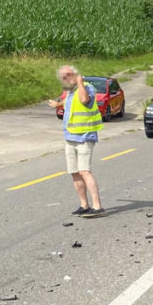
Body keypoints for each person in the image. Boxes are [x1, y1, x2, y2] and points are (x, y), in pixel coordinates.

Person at [48, 65, 105, 217]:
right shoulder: (71, 92)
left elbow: (84, 100)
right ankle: (84, 205)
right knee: (74, 172)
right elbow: (71, 105)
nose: (65, 78)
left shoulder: (87, 88)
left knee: (84, 171)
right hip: (70, 137)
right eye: (63, 77)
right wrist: (57, 104)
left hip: (85, 137)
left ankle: (97, 206)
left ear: (75, 74)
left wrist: (80, 82)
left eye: (68, 75)